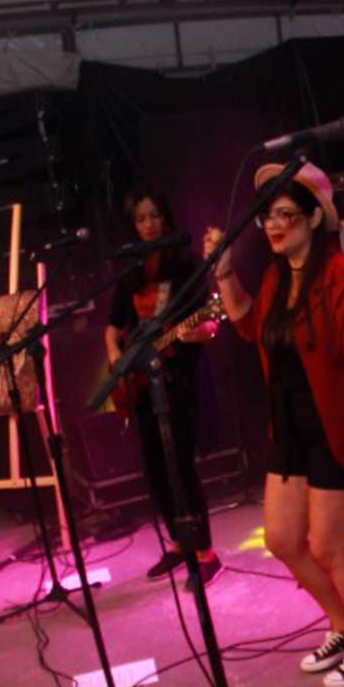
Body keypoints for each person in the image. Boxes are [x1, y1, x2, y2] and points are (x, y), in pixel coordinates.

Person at [205, 164, 344, 687]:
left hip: (337, 428)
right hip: (290, 426)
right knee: (283, 539)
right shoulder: (276, 277)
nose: (273, 225)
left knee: (331, 548)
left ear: (315, 217)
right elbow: (250, 325)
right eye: (267, 216)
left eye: (286, 214)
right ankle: (343, 624)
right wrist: (225, 274)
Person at [106, 187, 221, 582]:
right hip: (141, 380)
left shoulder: (185, 263)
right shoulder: (131, 269)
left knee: (181, 466)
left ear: (166, 218)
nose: (148, 224)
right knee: (155, 469)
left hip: (178, 377)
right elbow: (112, 325)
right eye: (140, 218)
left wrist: (195, 332)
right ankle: (177, 544)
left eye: (154, 215)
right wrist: (115, 359)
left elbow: (209, 321)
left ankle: (206, 553)